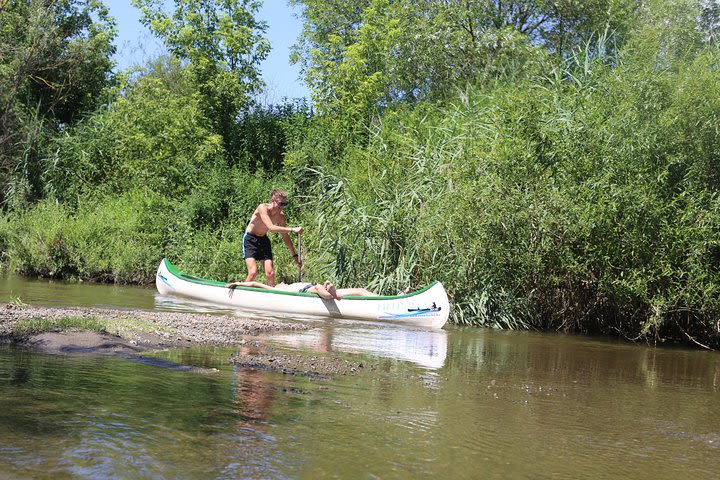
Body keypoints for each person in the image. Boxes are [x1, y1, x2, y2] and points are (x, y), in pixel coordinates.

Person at [243, 189, 302, 287]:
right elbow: (271, 228)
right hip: (250, 239)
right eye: (280, 203)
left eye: (285, 203)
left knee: (270, 273)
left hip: (263, 240)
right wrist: (292, 229)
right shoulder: (262, 208)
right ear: (273, 200)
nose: (282, 206)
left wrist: (294, 255)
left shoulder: (281, 216)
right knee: (253, 272)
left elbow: (285, 236)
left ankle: (270, 296)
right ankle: (241, 293)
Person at [225, 280, 378, 300]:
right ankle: (331, 295)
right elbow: (255, 284)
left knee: (359, 289)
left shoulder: (284, 286)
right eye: (279, 283)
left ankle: (387, 297)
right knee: (319, 286)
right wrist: (238, 283)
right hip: (307, 290)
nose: (281, 282)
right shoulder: (278, 290)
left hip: (316, 287)